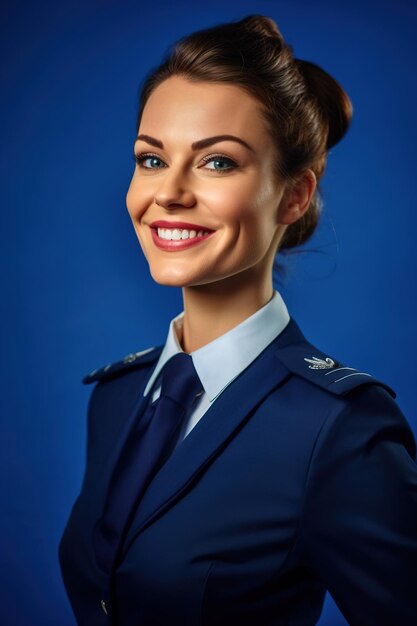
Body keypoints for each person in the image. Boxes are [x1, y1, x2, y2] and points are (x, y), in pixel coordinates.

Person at [58, 14, 417, 626]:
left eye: (217, 163)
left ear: (294, 195)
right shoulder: (117, 398)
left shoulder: (340, 430)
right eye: (150, 159)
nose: (167, 192)